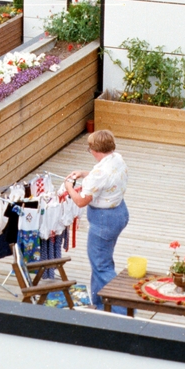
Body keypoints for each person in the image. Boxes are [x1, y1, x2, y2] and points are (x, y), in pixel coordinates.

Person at [64, 130, 129, 310]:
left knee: (101, 266)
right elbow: (104, 178)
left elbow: (80, 201)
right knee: (102, 261)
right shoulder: (117, 159)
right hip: (119, 212)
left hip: (104, 221)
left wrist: (69, 186)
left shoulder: (99, 173)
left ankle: (123, 309)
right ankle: (100, 304)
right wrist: (85, 174)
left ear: (94, 150)